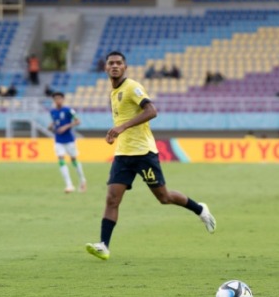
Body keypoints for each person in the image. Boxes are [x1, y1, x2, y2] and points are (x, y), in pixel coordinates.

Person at [85, 51, 216, 260]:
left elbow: (152, 111)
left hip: (144, 154)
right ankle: (104, 245)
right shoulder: (113, 91)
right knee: (112, 199)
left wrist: (122, 128)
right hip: (123, 155)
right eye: (111, 63)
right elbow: (123, 120)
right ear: (105, 68)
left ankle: (200, 209)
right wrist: (114, 133)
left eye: (119, 63)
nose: (115, 66)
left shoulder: (132, 87)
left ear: (125, 67)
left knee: (164, 198)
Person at [48, 92, 87, 194]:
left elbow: (78, 121)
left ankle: (82, 180)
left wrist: (66, 126)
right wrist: (51, 125)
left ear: (63, 99)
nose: (58, 100)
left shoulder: (68, 110)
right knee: (61, 159)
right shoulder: (52, 111)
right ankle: (69, 185)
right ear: (54, 100)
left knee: (73, 159)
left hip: (69, 139)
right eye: (56, 99)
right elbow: (56, 121)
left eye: (59, 98)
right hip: (58, 140)